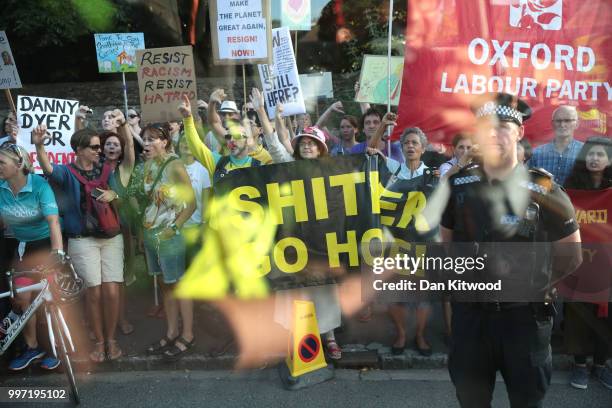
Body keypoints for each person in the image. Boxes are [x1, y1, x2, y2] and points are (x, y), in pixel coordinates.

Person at [440, 93, 582, 407]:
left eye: (503, 126)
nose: (493, 133)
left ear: (519, 133)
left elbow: (572, 255)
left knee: (527, 400)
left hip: (524, 321)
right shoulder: (457, 186)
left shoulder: (546, 191)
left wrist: (533, 284)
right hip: (471, 319)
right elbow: (447, 246)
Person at [33, 124, 126, 363]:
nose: (99, 151)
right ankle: (99, 342)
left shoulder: (107, 170)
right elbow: (48, 168)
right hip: (82, 240)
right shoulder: (66, 171)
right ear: (79, 149)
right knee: (93, 293)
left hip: (111, 238)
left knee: (112, 291)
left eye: (100, 147)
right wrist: (39, 145)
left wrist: (112, 195)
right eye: (95, 147)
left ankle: (111, 339)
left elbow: (119, 195)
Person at [370, 116, 436, 356]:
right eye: (406, 142)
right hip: (394, 242)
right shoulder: (393, 169)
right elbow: (371, 151)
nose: (410, 146)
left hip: (420, 243)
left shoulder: (432, 174)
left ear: (423, 148)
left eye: (415, 143)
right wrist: (381, 127)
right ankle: (401, 333)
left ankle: (420, 335)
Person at [0, 143, 63, 371]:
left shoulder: (39, 185)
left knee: (50, 298)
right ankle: (32, 347)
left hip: (46, 244)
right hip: (23, 247)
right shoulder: (0, 187)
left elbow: (53, 221)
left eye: (1, 163)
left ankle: (57, 348)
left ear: (18, 165)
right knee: (22, 298)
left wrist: (57, 252)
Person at [140, 121, 196, 360]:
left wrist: (174, 227)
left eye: (152, 138)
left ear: (165, 141)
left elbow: (191, 203)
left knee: (179, 285)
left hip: (170, 236)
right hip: (152, 235)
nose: (147, 143)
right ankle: (172, 332)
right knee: (165, 286)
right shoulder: (149, 165)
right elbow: (150, 202)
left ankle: (188, 334)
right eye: (144, 138)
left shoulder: (175, 165)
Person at [563, 136, 612, 390]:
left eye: (600, 155)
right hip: (578, 265)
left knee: (606, 318)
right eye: (590, 154)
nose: (594, 159)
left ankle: (602, 366)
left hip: (607, 267)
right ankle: (579, 366)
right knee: (578, 317)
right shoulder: (569, 190)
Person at [182, 92, 272, 183]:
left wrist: (260, 109)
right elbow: (195, 145)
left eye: (237, 136)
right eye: (229, 136)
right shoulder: (217, 162)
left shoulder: (261, 165)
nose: (232, 140)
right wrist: (188, 119)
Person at [99, 129, 136, 336]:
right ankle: (104, 319)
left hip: (121, 228)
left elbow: (131, 145)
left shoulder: (124, 169)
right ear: (102, 148)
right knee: (101, 279)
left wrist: (123, 125)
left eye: (116, 144)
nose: (112, 147)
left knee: (120, 277)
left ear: (121, 150)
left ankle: (121, 318)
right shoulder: (95, 168)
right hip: (98, 229)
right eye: (108, 144)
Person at [528, 105, 583, 185]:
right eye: (558, 121)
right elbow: (527, 182)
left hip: (576, 197)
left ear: (577, 124)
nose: (562, 125)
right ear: (552, 124)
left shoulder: (584, 151)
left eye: (567, 121)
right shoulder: (536, 154)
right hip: (543, 197)